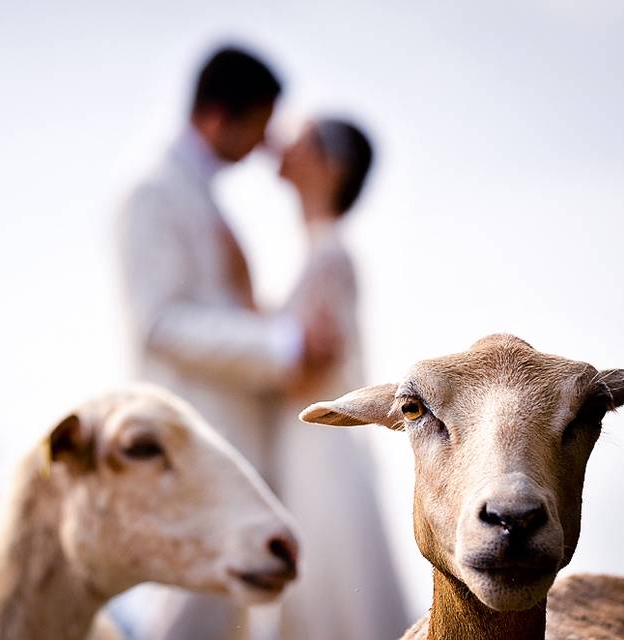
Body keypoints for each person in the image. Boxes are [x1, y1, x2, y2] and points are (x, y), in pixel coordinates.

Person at [117, 46, 336, 640]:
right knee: (191, 611)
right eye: (260, 125)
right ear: (219, 116)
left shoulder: (198, 193)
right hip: (193, 440)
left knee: (221, 615)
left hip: (228, 437)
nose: (266, 145)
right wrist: (282, 344)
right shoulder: (154, 192)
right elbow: (160, 323)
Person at [269, 118, 410, 639]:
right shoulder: (319, 254)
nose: (284, 143)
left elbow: (304, 365)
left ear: (332, 166)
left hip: (318, 454)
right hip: (310, 450)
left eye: (302, 138)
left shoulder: (329, 256)